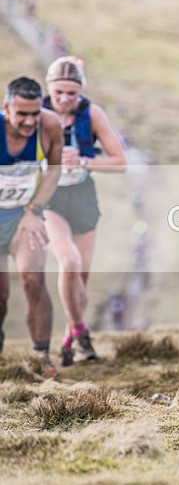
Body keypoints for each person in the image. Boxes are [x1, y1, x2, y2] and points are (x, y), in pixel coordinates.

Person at [42, 56, 127, 367]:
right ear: (48, 88)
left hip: (81, 196)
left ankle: (67, 343)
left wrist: (84, 161)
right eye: (58, 92)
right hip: (48, 197)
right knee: (69, 260)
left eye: (71, 93)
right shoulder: (34, 116)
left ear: (80, 92)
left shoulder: (91, 114)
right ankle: (82, 335)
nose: (64, 99)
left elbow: (120, 161)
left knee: (80, 278)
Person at [0, 77, 63, 375]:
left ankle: (41, 356)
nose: (29, 121)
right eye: (21, 113)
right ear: (6, 108)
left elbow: (54, 171)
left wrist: (33, 210)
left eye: (34, 113)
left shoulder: (49, 126)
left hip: (25, 215)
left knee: (33, 280)